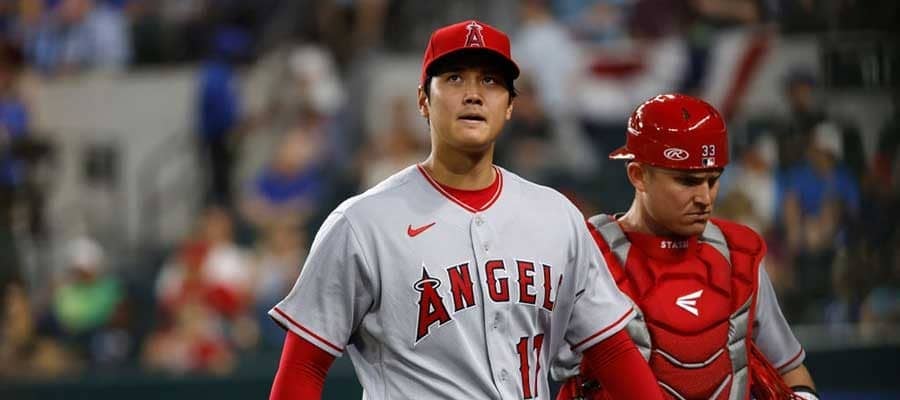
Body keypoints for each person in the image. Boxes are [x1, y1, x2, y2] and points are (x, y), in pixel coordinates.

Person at [267, 20, 663, 399]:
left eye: (490, 81)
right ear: (423, 100)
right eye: (455, 78)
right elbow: (304, 367)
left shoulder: (557, 217)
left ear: (510, 105)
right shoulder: (362, 224)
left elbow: (611, 351)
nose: (474, 94)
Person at [555, 94, 818, 400]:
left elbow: (791, 370)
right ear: (638, 175)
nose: (705, 198)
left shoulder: (739, 258)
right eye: (687, 181)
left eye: (713, 180)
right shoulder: (587, 253)